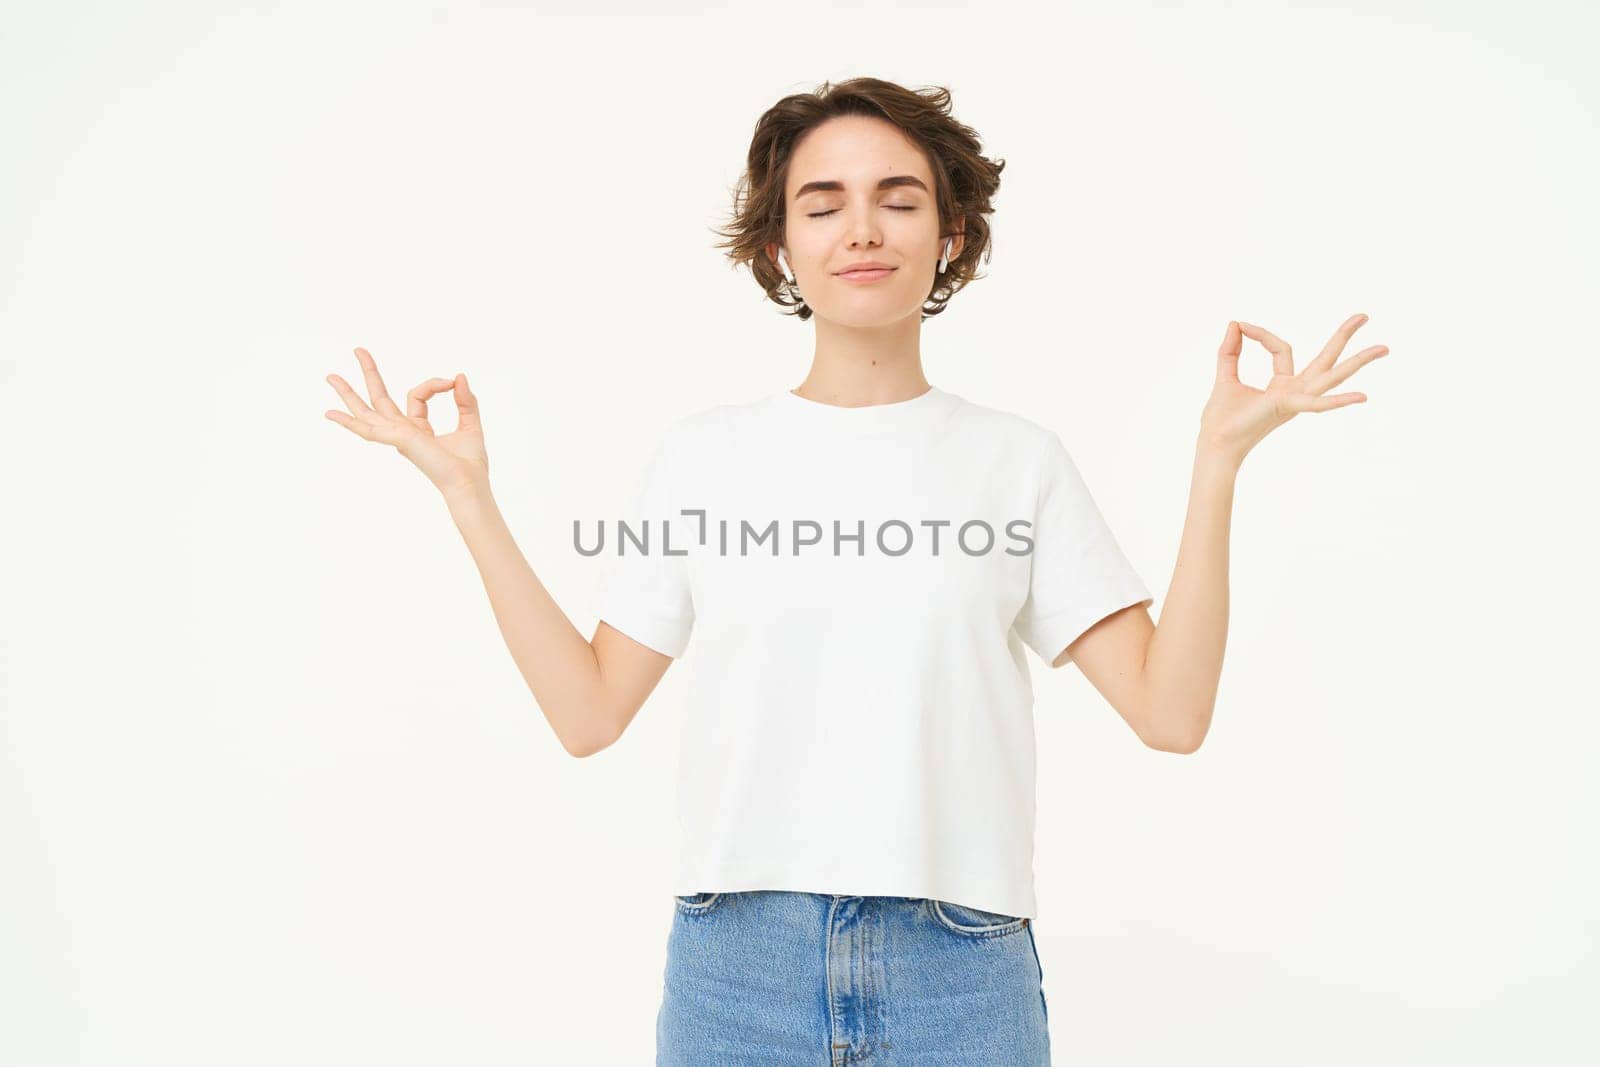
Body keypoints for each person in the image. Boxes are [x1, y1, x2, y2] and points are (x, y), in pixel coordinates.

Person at [323, 76, 1389, 1067]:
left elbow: (1170, 710)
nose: (864, 228)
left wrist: (1218, 462)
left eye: (899, 198)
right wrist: (467, 494)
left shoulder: (1014, 462)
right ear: (779, 246)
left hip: (959, 968)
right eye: (823, 202)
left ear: (951, 232)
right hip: (736, 967)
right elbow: (588, 710)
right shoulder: (705, 456)